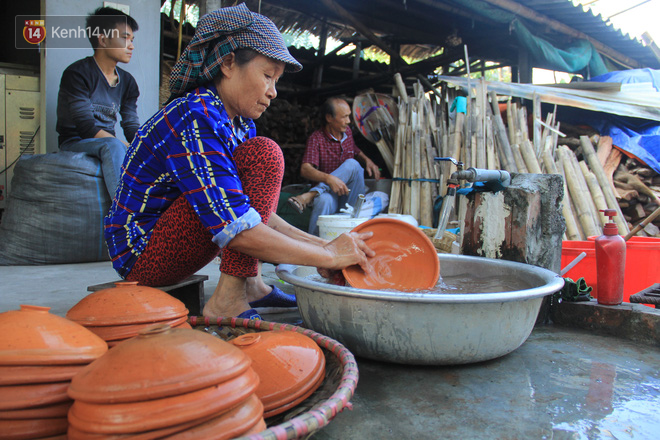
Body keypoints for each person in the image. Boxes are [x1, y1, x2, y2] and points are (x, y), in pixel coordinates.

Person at [104, 4, 374, 321]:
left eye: (277, 81)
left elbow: (257, 214)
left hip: (177, 237)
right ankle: (228, 299)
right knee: (265, 154)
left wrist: (325, 246)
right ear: (229, 63)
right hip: (143, 256)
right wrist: (327, 256)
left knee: (255, 164)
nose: (273, 92)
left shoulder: (239, 123)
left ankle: (252, 285)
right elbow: (237, 227)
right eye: (267, 76)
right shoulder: (197, 115)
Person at [56, 7, 139, 198]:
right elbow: (85, 127)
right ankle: (125, 213)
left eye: (132, 40)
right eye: (124, 38)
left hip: (108, 143)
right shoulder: (77, 74)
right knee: (113, 146)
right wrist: (124, 146)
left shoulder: (128, 82)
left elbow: (131, 124)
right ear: (103, 39)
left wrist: (143, 144)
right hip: (75, 142)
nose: (131, 46)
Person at [287, 97, 381, 235]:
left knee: (352, 164)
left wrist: (367, 160)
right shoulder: (316, 138)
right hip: (330, 196)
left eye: (349, 116)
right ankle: (315, 245)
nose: (349, 121)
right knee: (323, 200)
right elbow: (305, 169)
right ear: (329, 118)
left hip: (351, 197)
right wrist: (329, 179)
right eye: (344, 117)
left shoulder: (347, 132)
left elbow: (354, 149)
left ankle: (310, 195)